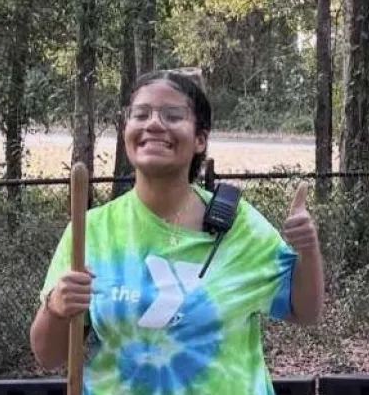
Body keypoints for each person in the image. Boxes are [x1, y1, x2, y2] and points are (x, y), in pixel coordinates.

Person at [29, 69, 324, 394]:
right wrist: (56, 307)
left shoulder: (240, 226)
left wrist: (307, 250)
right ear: (126, 129)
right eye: (140, 114)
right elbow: (49, 355)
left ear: (200, 138)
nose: (154, 124)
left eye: (173, 115)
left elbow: (304, 311)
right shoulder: (93, 232)